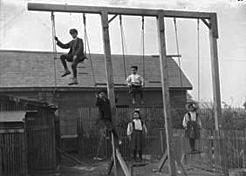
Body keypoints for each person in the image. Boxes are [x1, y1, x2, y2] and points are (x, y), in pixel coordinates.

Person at [95, 90, 120, 160]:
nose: (102, 95)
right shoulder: (100, 101)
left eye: (103, 94)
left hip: (109, 116)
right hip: (104, 117)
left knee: (112, 128)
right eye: (101, 94)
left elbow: (112, 103)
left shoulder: (106, 100)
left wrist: (116, 99)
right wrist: (97, 97)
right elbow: (97, 104)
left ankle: (115, 138)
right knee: (111, 128)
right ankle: (113, 137)